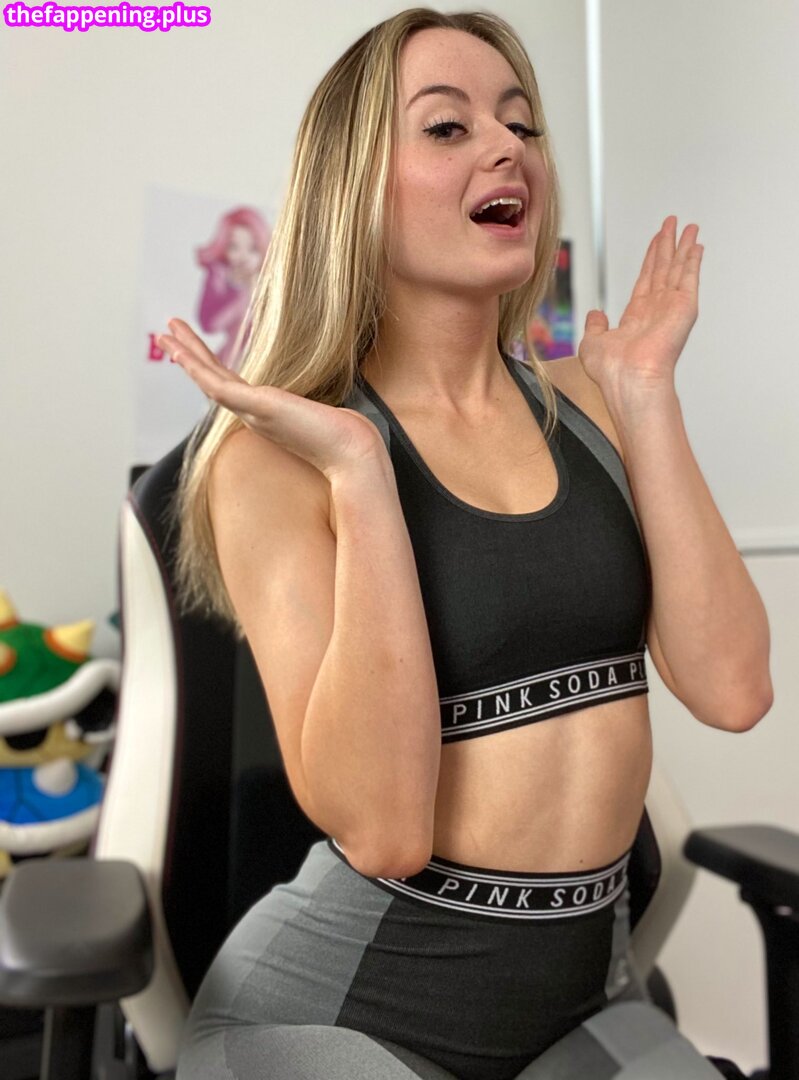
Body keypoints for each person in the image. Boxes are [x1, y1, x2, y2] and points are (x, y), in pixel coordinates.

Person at [157, 9, 773, 1079]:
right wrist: (362, 472)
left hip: (583, 997)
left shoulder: (596, 400)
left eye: (520, 124)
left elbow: (732, 689)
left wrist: (646, 394)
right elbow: (385, 834)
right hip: (338, 1013)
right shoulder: (274, 463)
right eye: (447, 127)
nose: (506, 148)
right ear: (353, 188)